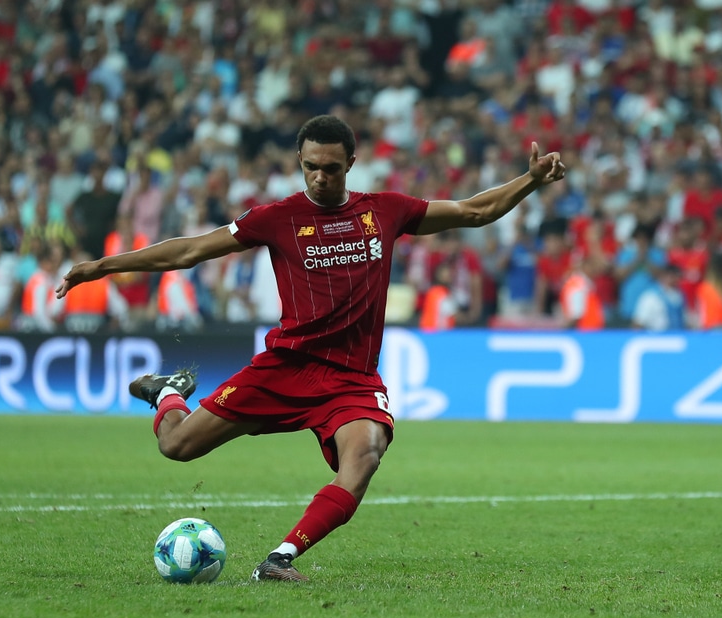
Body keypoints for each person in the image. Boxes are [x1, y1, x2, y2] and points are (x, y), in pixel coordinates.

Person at [56, 115, 565, 582]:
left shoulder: (384, 212)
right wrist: (103, 266)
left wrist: (529, 182)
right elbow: (190, 249)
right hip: (286, 368)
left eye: (331, 168)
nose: (320, 177)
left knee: (365, 455)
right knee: (177, 447)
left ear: (351, 164)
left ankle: (279, 559)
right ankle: (169, 392)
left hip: (351, 380)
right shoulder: (277, 218)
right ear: (300, 163)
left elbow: (475, 211)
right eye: (310, 167)